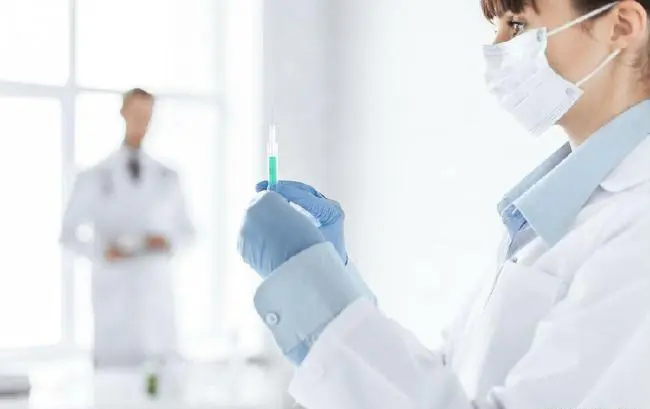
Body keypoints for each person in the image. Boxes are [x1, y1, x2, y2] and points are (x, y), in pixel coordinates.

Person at [238, 0, 650, 407]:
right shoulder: (555, 218)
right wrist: (337, 287)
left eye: (517, 25)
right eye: (496, 28)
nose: (496, 48)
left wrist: (315, 297)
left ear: (621, 26)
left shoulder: (637, 225)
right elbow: (450, 384)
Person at [61, 88, 194, 367]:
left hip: (156, 296)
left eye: (147, 115)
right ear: (122, 113)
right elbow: (67, 235)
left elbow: (188, 232)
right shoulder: (94, 176)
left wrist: (167, 242)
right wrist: (102, 252)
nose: (142, 122)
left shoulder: (168, 176)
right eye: (136, 114)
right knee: (115, 381)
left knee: (160, 376)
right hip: (114, 297)